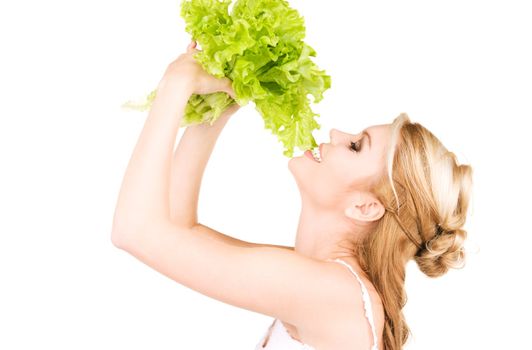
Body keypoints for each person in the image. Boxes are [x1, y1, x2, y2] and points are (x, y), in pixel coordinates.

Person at [111, 40, 473, 350]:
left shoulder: (335, 293)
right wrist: (219, 104)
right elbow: (178, 227)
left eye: (356, 146)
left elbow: (134, 231)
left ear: (365, 207)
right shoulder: (325, 280)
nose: (335, 133)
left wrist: (176, 83)